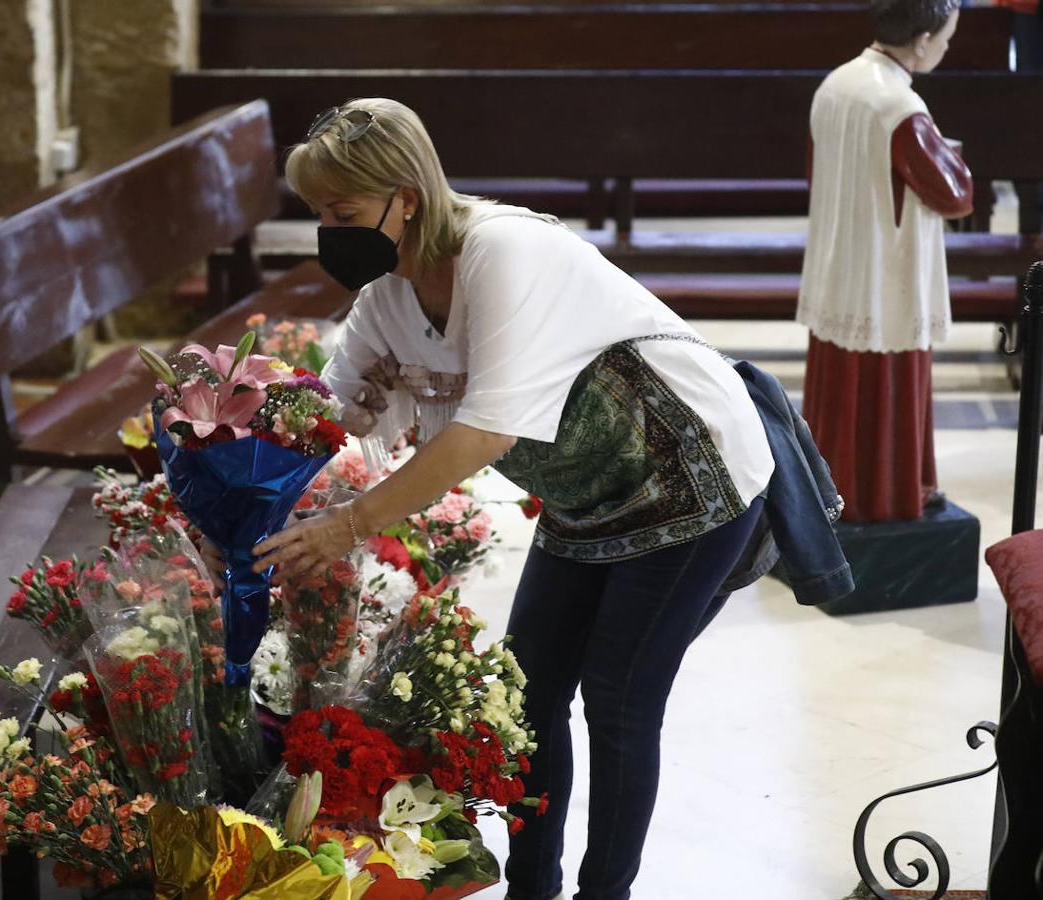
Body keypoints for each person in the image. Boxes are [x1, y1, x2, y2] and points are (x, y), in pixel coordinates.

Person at [249, 98, 775, 900]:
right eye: (318, 212)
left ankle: (606, 894)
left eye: (342, 211)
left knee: (620, 700)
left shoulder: (504, 251)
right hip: (582, 499)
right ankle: (534, 889)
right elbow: (325, 415)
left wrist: (349, 526)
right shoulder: (389, 293)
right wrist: (236, 484)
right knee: (529, 696)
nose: (328, 230)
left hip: (688, 484)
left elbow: (483, 433)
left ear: (407, 196)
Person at [797, 0, 973, 524]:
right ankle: (884, 499)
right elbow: (954, 194)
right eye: (947, 38)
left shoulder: (836, 83)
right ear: (921, 41)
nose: (946, 48)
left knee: (839, 386)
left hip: (839, 259)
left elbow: (816, 172)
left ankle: (829, 491)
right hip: (883, 270)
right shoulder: (900, 106)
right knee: (884, 386)